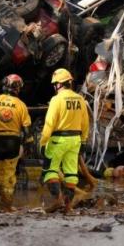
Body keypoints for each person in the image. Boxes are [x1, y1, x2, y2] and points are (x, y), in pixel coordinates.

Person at [0, 74, 33, 211]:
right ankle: (6, 205)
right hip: (12, 142)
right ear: (18, 88)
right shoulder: (21, 105)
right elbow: (27, 130)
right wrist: (29, 145)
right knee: (9, 173)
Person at [40, 68, 89, 213]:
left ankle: (58, 201)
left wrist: (43, 142)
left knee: (50, 171)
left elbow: (50, 123)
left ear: (59, 84)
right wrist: (84, 141)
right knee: (71, 174)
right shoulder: (80, 100)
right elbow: (85, 123)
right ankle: (68, 207)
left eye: (55, 84)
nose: (55, 87)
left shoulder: (56, 100)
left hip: (58, 140)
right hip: (75, 140)